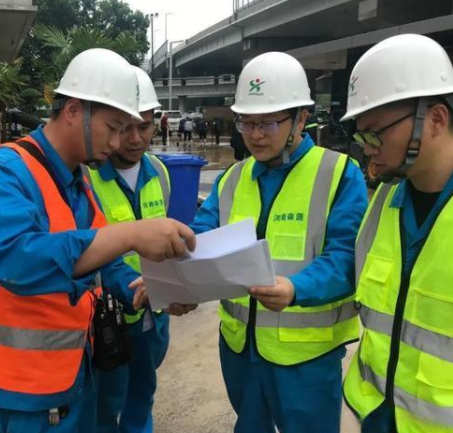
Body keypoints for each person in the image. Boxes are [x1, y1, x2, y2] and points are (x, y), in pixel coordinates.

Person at [0, 48, 196, 433]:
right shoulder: (2, 174)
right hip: (23, 386)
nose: (119, 141)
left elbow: (106, 264)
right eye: (114, 127)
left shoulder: (78, 181)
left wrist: (154, 291)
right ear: (73, 110)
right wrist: (131, 234)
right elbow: (18, 260)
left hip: (75, 373)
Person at [190, 52, 368, 433]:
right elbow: (200, 239)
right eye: (246, 122)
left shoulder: (338, 174)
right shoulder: (231, 179)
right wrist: (174, 276)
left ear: (300, 118)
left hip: (307, 358)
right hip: (240, 349)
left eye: (268, 123)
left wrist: (296, 288)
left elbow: (347, 259)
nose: (255, 135)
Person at [340, 33, 453, 433]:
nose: (366, 147)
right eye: (360, 135)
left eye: (376, 132)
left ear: (436, 119)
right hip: (375, 417)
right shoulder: (384, 201)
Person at [84, 66, 196, 433]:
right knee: (104, 408)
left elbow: (176, 244)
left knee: (142, 397)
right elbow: (86, 253)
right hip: (105, 321)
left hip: (152, 319)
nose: (134, 139)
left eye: (144, 126)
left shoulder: (159, 172)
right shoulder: (86, 178)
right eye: (125, 127)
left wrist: (180, 287)